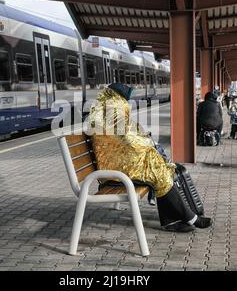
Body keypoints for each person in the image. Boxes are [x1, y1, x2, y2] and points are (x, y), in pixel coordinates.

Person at [86, 83, 212, 232]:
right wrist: (148, 143)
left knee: (160, 168)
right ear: (119, 98)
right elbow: (128, 138)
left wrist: (147, 141)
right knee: (157, 172)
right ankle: (190, 218)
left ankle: (172, 221)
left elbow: (128, 134)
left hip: (116, 163)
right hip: (114, 170)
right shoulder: (112, 110)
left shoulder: (106, 108)